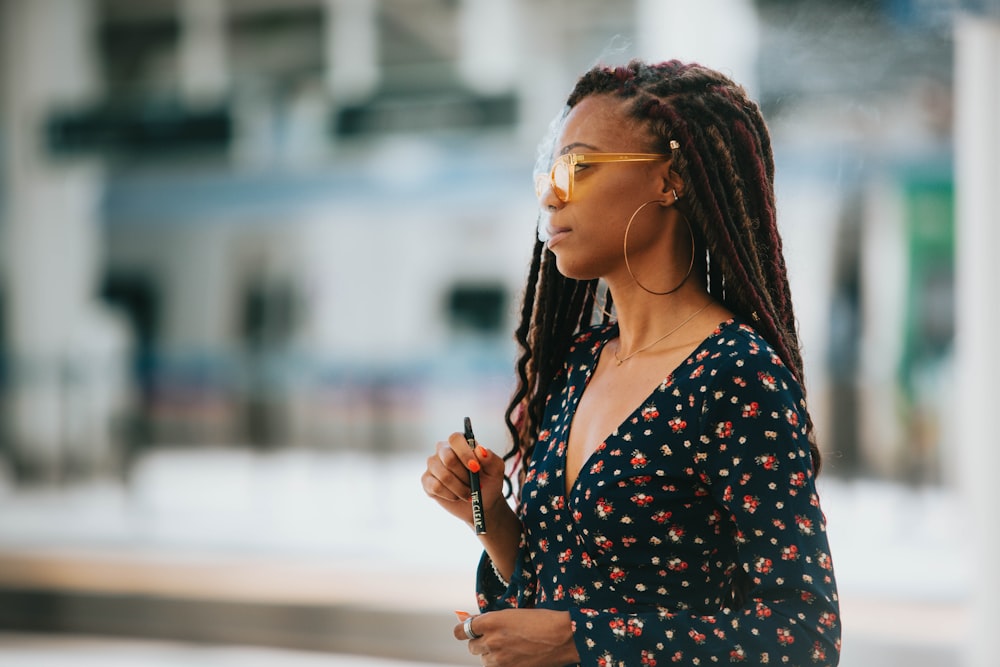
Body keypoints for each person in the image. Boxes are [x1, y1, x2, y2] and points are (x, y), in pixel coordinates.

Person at [421, 59, 841, 667]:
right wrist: (489, 517)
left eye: (579, 166)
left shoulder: (733, 374)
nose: (550, 191)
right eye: (550, 168)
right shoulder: (580, 363)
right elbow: (563, 584)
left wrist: (581, 640)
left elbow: (804, 636)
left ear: (670, 180)